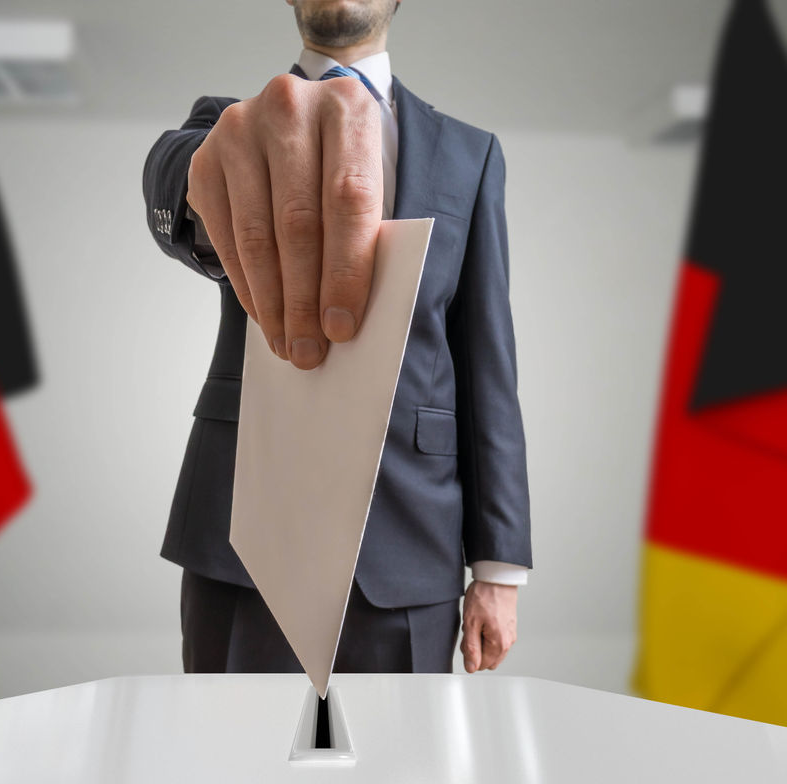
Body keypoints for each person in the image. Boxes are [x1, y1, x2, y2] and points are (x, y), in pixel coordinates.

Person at [143, 0, 531, 676]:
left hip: (410, 542)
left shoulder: (469, 155)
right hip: (244, 535)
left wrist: (498, 568)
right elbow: (177, 179)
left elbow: (487, 368)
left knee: (402, 768)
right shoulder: (226, 128)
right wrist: (214, 162)